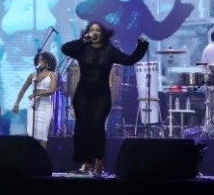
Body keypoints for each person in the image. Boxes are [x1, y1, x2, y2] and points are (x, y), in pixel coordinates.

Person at [60, 22, 148, 175]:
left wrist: (141, 46)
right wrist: (83, 40)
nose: (94, 32)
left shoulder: (109, 51)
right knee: (82, 128)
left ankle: (99, 160)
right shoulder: (82, 49)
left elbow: (130, 60)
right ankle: (86, 164)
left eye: (98, 30)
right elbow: (65, 48)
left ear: (103, 34)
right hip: (83, 94)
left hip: (101, 94)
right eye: (92, 30)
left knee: (97, 126)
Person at [10, 51, 60, 145]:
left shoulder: (53, 75)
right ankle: (31, 152)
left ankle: (41, 154)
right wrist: (16, 104)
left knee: (43, 134)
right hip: (33, 106)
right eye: (38, 60)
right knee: (31, 133)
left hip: (45, 106)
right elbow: (23, 89)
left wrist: (36, 94)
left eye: (42, 60)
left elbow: (52, 90)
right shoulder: (32, 75)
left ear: (48, 61)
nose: (39, 61)